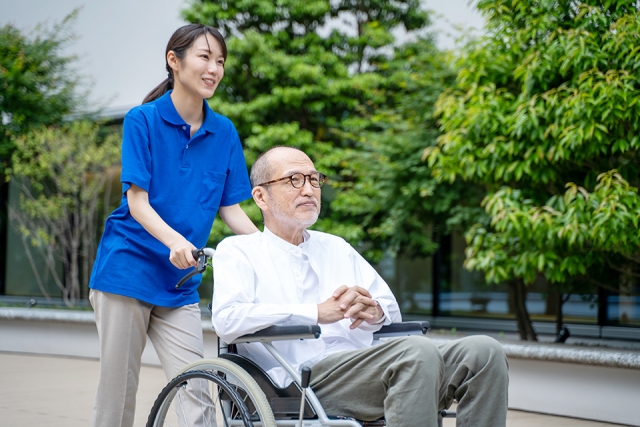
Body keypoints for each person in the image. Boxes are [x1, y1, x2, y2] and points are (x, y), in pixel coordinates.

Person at [211, 146, 509, 427]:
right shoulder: (239, 251)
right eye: (294, 180)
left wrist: (374, 311)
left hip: (367, 365)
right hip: (299, 380)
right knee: (416, 352)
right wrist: (314, 313)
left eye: (315, 180)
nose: (309, 189)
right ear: (261, 197)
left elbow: (389, 308)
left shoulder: (336, 247)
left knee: (484, 352)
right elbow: (227, 319)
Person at [88, 24, 259, 427]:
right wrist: (175, 240)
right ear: (174, 61)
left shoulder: (224, 132)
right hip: (126, 272)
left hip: (180, 282)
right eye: (204, 57)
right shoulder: (142, 120)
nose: (213, 68)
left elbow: (230, 209)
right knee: (118, 396)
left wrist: (272, 250)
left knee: (200, 390)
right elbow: (137, 202)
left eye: (220, 61)